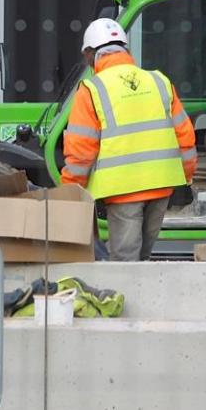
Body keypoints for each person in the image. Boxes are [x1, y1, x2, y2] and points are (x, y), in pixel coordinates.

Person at [61, 18, 197, 262]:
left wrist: (70, 190)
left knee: (125, 263)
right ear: (126, 49)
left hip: (122, 189)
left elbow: (81, 152)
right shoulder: (159, 81)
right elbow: (185, 137)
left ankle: (122, 300)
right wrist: (186, 177)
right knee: (142, 259)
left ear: (91, 55)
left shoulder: (92, 89)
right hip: (161, 184)